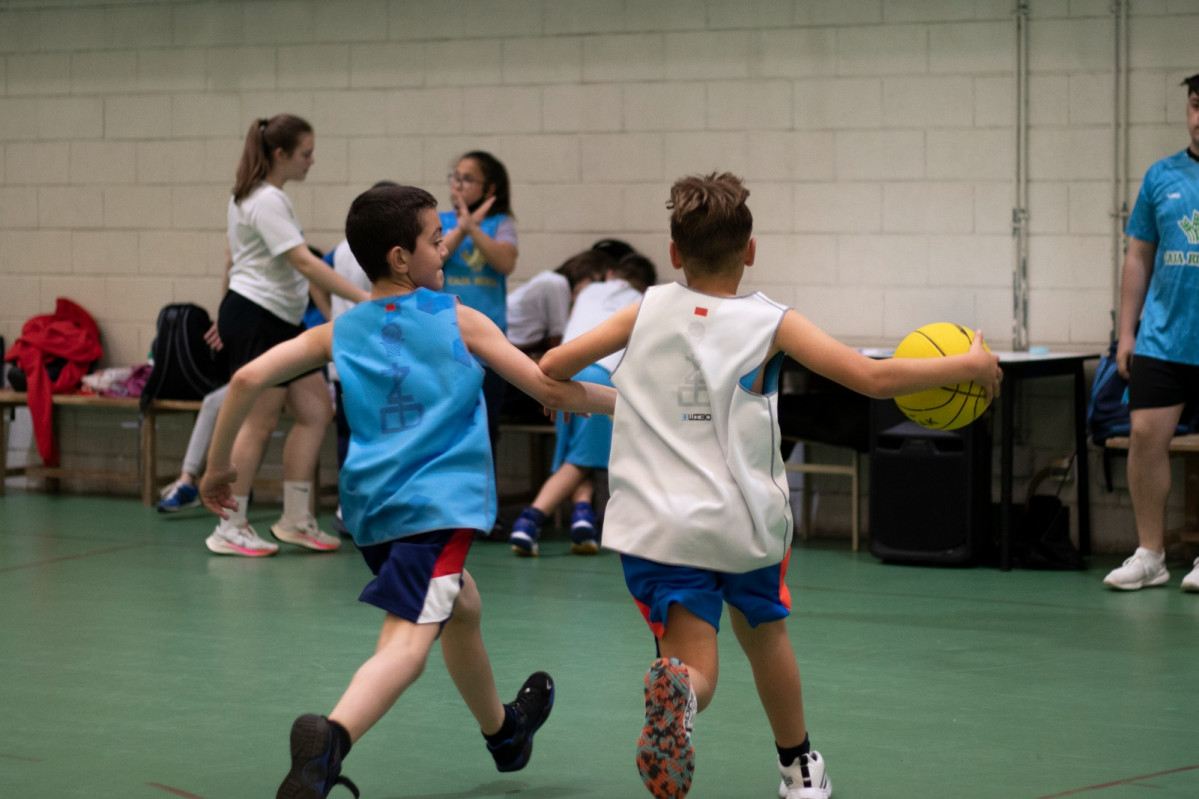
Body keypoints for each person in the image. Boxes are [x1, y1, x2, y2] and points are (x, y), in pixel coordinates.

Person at [539, 172, 1002, 799]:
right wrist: (969, 364)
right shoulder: (772, 323)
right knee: (765, 634)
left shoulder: (642, 310)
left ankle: (681, 692)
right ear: (750, 248)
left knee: (694, 665)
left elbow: (553, 370)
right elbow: (871, 377)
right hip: (743, 522)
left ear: (675, 254)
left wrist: (570, 393)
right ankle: (799, 768)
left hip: (657, 527)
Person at [198, 184, 616, 797]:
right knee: (408, 642)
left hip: (371, 509)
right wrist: (631, 407)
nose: (444, 246)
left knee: (461, 607)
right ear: (400, 257)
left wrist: (215, 470)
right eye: (434, 238)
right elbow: (551, 390)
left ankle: (506, 734)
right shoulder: (458, 318)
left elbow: (244, 378)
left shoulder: (336, 332)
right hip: (435, 508)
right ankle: (329, 745)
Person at [206, 113, 370, 557]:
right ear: (280, 154)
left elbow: (235, 257)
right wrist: (364, 298)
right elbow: (303, 261)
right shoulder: (264, 200)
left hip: (275, 317)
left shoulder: (263, 197)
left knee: (317, 410)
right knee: (258, 423)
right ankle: (230, 525)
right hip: (258, 316)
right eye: (306, 153)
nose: (312, 161)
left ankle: (295, 517)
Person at [1103, 73, 1199, 592]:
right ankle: (1150, 554)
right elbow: (1138, 256)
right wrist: (1126, 333)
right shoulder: (1161, 177)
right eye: (1195, 105)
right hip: (1164, 339)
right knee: (1144, 437)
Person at [510, 252, 657, 557]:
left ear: (609, 274)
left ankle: (582, 520)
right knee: (580, 461)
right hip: (602, 376)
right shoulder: (642, 302)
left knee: (578, 454)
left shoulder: (588, 291)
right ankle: (530, 520)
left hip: (567, 373)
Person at [441, 150, 518, 448]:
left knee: (485, 429)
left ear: (490, 188)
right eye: (456, 177)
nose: (458, 185)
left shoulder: (500, 223)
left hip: (489, 345)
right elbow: (438, 255)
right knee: (448, 428)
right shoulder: (440, 220)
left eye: (468, 179)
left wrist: (473, 226)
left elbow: (505, 262)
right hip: (446, 340)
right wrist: (463, 226)